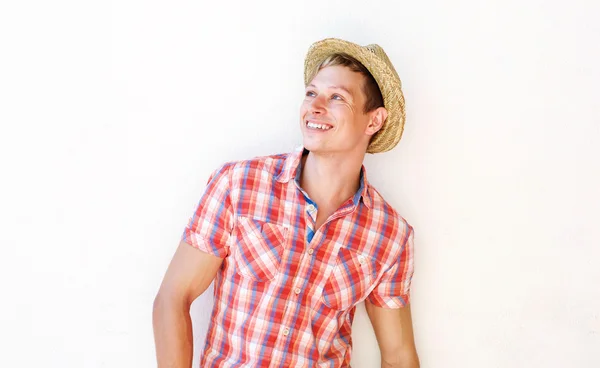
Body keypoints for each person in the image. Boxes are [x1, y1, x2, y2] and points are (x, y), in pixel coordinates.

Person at [153, 38, 419, 368]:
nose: (315, 106)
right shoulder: (239, 185)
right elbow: (173, 298)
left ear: (374, 121)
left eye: (337, 97)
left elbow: (398, 355)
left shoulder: (391, 236)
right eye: (311, 93)